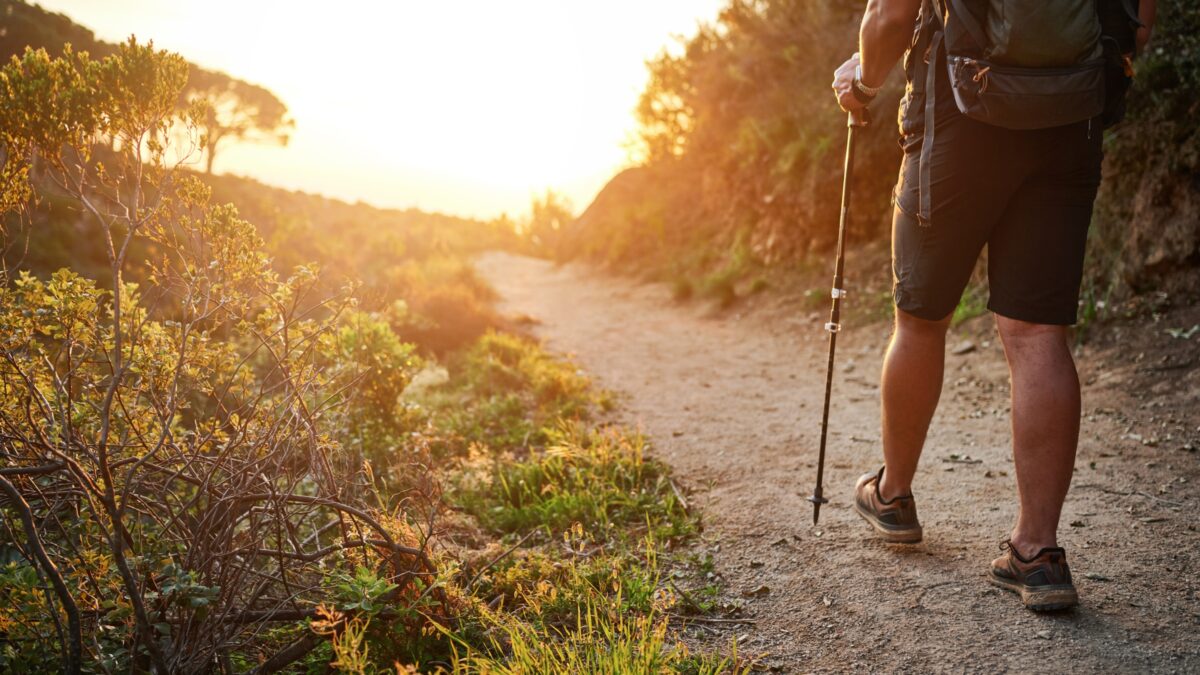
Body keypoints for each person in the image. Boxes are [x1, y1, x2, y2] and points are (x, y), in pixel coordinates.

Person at [830, 0, 1156, 611]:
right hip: (1070, 115)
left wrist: (864, 83)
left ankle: (894, 495)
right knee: (1038, 332)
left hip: (960, 114)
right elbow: (1138, 21)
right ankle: (1038, 552)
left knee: (921, 319)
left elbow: (891, 17)